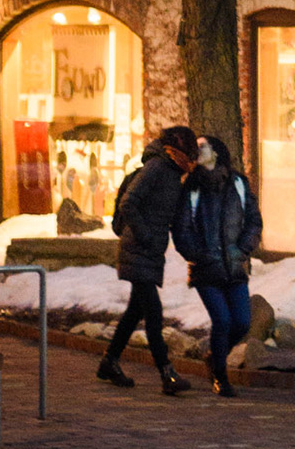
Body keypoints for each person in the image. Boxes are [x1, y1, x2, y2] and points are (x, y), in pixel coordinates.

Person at [97, 124, 197, 393]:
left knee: (135, 311)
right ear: (177, 148)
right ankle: (167, 375)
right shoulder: (157, 168)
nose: (193, 159)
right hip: (138, 249)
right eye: (190, 152)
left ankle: (109, 362)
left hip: (149, 252)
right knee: (153, 312)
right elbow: (129, 202)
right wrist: (146, 236)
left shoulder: (174, 175)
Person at [173, 135, 264, 398]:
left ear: (216, 151)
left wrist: (244, 248)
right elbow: (181, 229)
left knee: (242, 324)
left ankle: (215, 357)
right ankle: (220, 377)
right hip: (206, 270)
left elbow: (253, 220)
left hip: (235, 266)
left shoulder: (238, 183)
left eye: (202, 146)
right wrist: (198, 255)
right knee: (222, 320)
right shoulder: (190, 187)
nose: (198, 150)